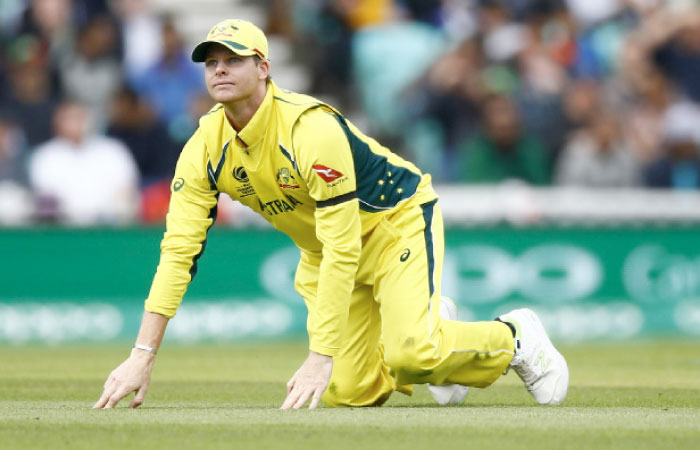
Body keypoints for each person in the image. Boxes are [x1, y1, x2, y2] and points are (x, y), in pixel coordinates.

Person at [93, 19, 568, 410]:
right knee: (349, 393)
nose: (219, 70)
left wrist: (319, 355)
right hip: (324, 250)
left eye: (233, 60)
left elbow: (345, 243)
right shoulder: (202, 149)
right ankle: (435, 334)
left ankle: (514, 338)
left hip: (392, 221)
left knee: (410, 356)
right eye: (212, 63)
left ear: (263, 68)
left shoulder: (308, 128)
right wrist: (142, 354)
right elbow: (179, 251)